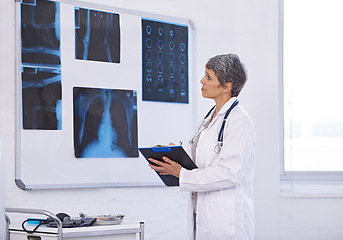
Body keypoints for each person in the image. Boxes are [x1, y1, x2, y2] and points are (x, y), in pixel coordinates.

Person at [148, 54, 256, 240]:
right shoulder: (208, 119)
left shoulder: (239, 121)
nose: (201, 81)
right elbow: (201, 160)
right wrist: (176, 155)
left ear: (227, 86)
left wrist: (182, 174)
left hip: (226, 221)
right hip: (202, 214)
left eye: (208, 77)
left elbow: (230, 174)